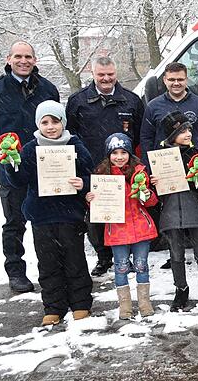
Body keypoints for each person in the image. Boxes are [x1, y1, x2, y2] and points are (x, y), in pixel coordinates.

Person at [1, 101, 94, 326]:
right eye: (45, 122)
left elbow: (91, 174)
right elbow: (19, 180)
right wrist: (11, 164)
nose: (51, 127)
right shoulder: (31, 148)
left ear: (63, 122)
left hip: (70, 215)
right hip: (42, 216)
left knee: (75, 261)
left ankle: (81, 304)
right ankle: (53, 307)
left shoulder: (75, 145)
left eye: (55, 121)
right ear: (38, 124)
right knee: (48, 264)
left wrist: (84, 183)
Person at [66, 56, 145, 277]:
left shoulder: (131, 100)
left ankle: (125, 255)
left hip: (124, 166)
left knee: (126, 212)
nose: (106, 78)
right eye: (101, 75)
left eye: (110, 74)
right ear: (92, 74)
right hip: (92, 168)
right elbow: (71, 134)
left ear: (116, 73)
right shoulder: (78, 101)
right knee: (95, 217)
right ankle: (103, 257)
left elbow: (137, 135)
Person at [0, 40, 59, 293]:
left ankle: (50, 269)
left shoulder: (47, 89)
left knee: (46, 220)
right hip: (11, 171)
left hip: (44, 167)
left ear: (35, 60)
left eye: (28, 57)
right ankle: (16, 271)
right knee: (14, 221)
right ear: (9, 59)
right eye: (18, 56)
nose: (24, 61)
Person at [151, 110, 198, 312]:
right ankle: (180, 290)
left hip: (195, 209)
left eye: (189, 129)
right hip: (171, 211)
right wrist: (154, 183)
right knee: (176, 255)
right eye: (182, 131)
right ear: (171, 135)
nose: (188, 134)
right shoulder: (160, 158)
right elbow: (153, 193)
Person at [85, 133, 158, 319]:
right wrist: (90, 200)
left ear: (129, 153)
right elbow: (98, 208)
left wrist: (147, 194)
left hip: (141, 228)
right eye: (114, 153)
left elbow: (150, 203)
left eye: (123, 152)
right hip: (117, 230)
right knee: (121, 267)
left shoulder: (140, 172)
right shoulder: (102, 175)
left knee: (142, 266)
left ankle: (144, 303)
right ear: (108, 155)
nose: (119, 157)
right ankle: (124, 306)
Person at [140, 62, 198, 156]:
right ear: (164, 80)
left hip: (196, 165)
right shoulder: (153, 106)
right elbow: (146, 139)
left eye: (180, 79)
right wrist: (148, 166)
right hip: (165, 165)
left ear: (186, 80)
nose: (176, 83)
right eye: (172, 79)